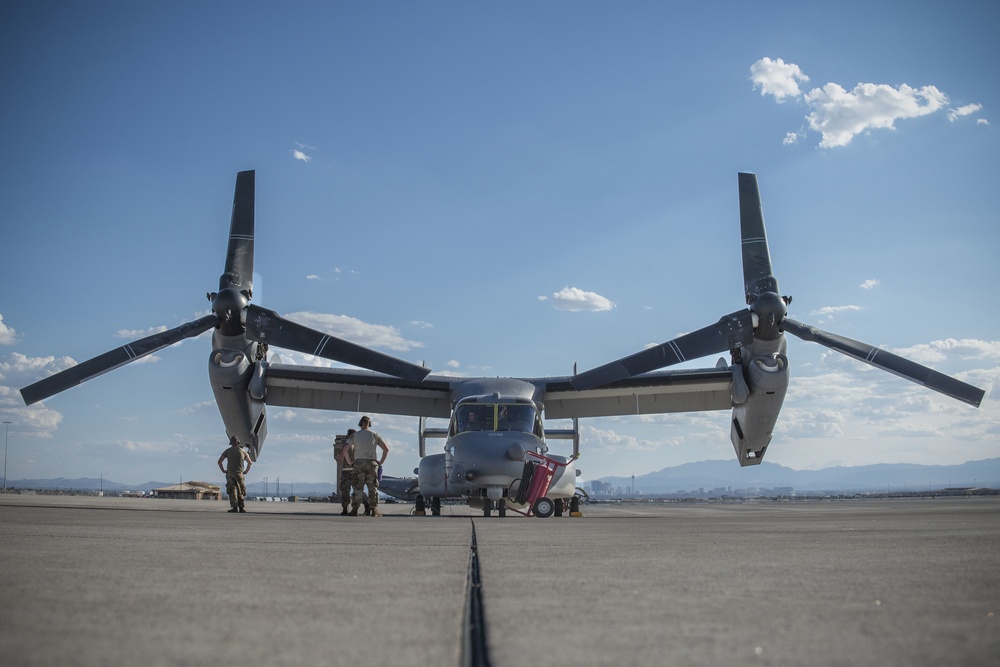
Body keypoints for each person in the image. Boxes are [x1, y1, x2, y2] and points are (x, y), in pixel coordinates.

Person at [344, 416, 388, 517]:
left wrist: (350, 462)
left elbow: (345, 449)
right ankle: (374, 510)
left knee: (358, 487)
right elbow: (386, 449)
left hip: (359, 463)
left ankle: (355, 509)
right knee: (372, 487)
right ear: (369, 423)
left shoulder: (355, 435)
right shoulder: (375, 435)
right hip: (372, 463)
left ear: (360, 423)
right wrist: (380, 462)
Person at [336, 429, 369, 516]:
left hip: (346, 471)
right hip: (356, 471)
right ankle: (366, 504)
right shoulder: (359, 446)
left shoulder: (346, 445)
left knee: (345, 491)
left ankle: (345, 508)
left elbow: (341, 458)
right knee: (358, 490)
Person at [218, 435, 252, 513]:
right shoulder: (243, 451)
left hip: (230, 473)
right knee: (241, 490)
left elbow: (219, 461)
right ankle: (241, 507)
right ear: (238, 442)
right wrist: (246, 471)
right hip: (239, 473)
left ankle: (234, 507)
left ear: (231, 443)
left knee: (232, 490)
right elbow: (250, 463)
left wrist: (223, 470)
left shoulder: (227, 451)